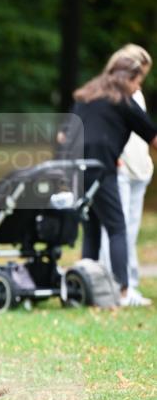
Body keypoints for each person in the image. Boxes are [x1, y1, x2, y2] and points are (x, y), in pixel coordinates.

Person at [68, 45, 157, 307]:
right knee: (118, 228)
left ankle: (88, 289)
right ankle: (122, 291)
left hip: (76, 165)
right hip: (101, 167)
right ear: (129, 77)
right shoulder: (124, 100)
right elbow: (152, 136)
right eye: (139, 81)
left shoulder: (87, 93)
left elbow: (67, 133)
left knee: (92, 228)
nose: (139, 87)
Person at [99, 45, 154, 306]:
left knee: (129, 231)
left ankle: (128, 284)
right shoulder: (111, 95)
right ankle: (114, 285)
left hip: (139, 169)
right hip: (119, 169)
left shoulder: (136, 94)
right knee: (117, 230)